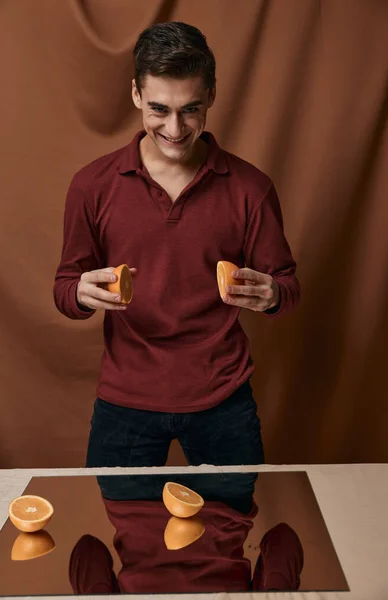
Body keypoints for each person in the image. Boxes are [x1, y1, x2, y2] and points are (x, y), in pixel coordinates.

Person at [53, 22, 299, 469]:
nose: (174, 127)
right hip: (125, 402)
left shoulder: (251, 188)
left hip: (224, 399)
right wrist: (78, 294)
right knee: (114, 534)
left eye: (190, 109)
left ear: (212, 96)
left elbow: (287, 286)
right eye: (159, 109)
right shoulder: (91, 186)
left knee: (235, 531)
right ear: (135, 95)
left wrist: (275, 293)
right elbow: (65, 288)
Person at [69, 473, 304, 593]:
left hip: (220, 502)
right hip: (135, 502)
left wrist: (277, 593)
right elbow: (88, 549)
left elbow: (282, 539)